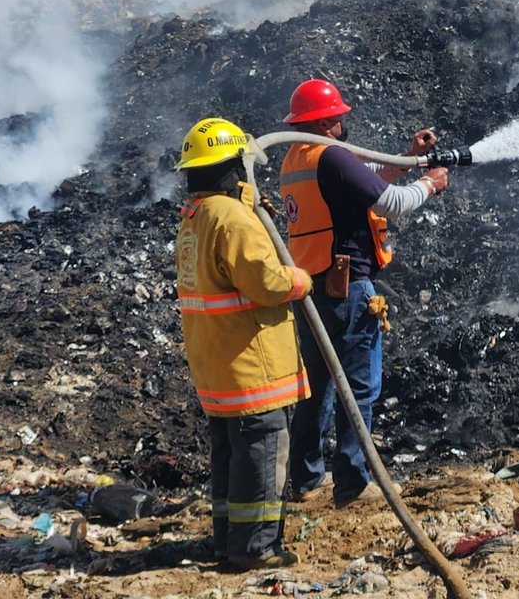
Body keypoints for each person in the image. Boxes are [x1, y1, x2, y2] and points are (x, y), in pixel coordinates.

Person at [279, 79, 448, 508]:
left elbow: (366, 184)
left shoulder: (296, 159)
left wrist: (409, 157)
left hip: (310, 290)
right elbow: (389, 202)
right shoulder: (332, 156)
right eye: (338, 116)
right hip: (348, 286)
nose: (342, 122)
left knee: (316, 387)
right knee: (360, 386)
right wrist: (430, 183)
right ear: (327, 121)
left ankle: (304, 479)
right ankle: (352, 484)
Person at [175, 117, 313, 572]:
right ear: (235, 165)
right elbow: (267, 282)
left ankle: (226, 541)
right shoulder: (233, 219)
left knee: (230, 456)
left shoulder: (196, 217)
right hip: (251, 366)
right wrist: (299, 279)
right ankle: (254, 548)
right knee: (262, 452)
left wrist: (248, 205)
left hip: (217, 366)